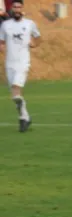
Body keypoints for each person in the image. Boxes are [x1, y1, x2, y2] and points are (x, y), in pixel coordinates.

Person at [0, 0, 40, 133]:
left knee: (16, 91)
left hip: (23, 62)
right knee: (15, 96)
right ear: (11, 9)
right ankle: (24, 117)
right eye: (14, 7)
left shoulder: (29, 24)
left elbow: (37, 37)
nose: (17, 9)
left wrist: (34, 44)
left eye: (19, 7)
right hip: (9, 63)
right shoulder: (5, 25)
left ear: (22, 9)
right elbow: (2, 41)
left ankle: (24, 116)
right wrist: (1, 46)